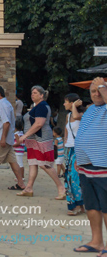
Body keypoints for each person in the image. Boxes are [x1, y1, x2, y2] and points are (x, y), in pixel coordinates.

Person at [73, 77, 107, 254]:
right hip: (86, 166)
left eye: (100, 90)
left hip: (103, 165)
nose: (97, 93)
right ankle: (96, 242)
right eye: (93, 91)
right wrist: (80, 156)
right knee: (92, 205)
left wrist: (103, 87)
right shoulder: (90, 109)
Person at [14, 85, 63, 198]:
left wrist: (24, 135)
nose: (32, 94)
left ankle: (61, 188)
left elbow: (39, 124)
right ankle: (29, 188)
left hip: (41, 139)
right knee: (33, 163)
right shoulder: (36, 106)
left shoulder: (42, 106)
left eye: (35, 93)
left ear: (42, 95)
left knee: (45, 164)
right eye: (32, 93)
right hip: (33, 140)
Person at [63, 93, 85, 216]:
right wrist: (65, 142)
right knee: (69, 177)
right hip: (68, 149)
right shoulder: (68, 115)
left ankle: (77, 205)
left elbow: (76, 116)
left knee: (75, 177)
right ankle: (78, 204)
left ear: (72, 103)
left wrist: (75, 107)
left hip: (78, 149)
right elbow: (66, 131)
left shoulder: (81, 114)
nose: (64, 104)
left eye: (66, 101)